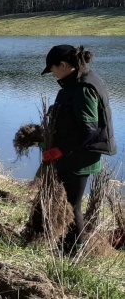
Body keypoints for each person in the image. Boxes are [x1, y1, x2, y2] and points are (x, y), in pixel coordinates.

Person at [41, 44, 116, 254]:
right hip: (75, 154)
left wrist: (60, 150)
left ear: (63, 65)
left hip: (79, 158)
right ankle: (68, 244)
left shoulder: (84, 88)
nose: (53, 74)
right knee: (70, 202)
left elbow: (88, 131)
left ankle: (73, 250)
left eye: (53, 69)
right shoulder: (78, 81)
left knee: (72, 205)